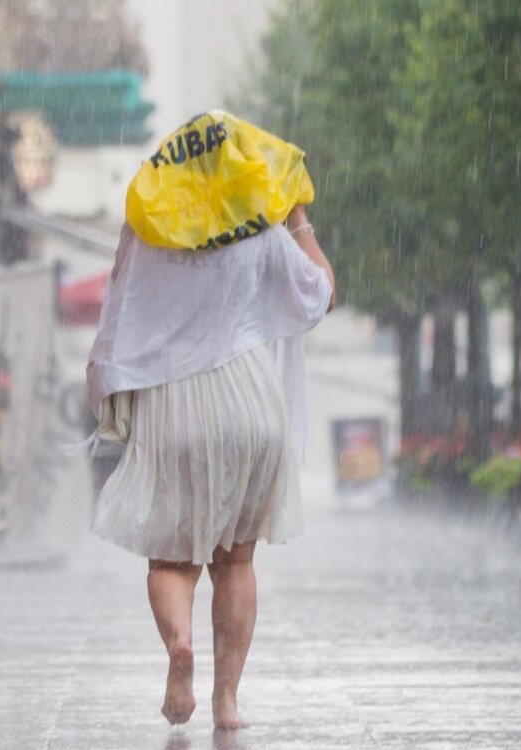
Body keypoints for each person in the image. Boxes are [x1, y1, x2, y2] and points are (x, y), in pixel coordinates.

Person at [86, 148, 335, 729]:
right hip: (250, 405)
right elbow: (320, 293)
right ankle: (227, 701)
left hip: (177, 407)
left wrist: (106, 388)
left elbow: (116, 311)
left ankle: (180, 644)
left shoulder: (149, 229)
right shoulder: (256, 225)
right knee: (237, 560)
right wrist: (297, 214)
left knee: (170, 558)